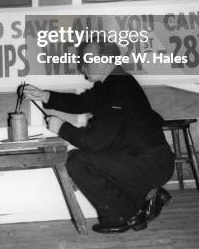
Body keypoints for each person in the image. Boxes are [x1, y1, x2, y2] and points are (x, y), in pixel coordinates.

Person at [23, 39, 174, 234]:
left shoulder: (119, 88)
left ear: (107, 60)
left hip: (151, 164)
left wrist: (62, 128)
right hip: (141, 158)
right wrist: (45, 96)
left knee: (79, 161)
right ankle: (149, 198)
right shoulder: (112, 83)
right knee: (91, 158)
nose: (82, 65)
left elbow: (94, 142)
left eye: (87, 59)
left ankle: (124, 215)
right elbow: (80, 103)